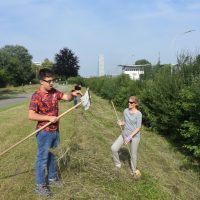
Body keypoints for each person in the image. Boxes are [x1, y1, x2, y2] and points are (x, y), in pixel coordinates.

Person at [28, 68, 82, 197]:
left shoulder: (54, 92)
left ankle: (52, 179)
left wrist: (73, 94)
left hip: (55, 131)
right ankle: (39, 186)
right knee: (42, 158)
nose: (52, 83)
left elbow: (66, 97)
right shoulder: (36, 96)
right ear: (41, 81)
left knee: (53, 156)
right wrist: (48, 118)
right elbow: (31, 115)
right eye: (49, 81)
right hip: (44, 132)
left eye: (53, 80)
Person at [111, 96, 142, 179]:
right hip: (125, 133)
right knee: (113, 148)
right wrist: (121, 123)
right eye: (129, 102)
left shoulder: (139, 114)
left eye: (131, 102)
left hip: (134, 137)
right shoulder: (125, 111)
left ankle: (133, 171)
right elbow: (124, 121)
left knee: (133, 154)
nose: (129, 103)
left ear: (135, 104)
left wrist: (130, 137)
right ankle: (118, 164)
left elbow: (138, 128)